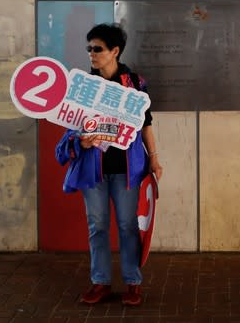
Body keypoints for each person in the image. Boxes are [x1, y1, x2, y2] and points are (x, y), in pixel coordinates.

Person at [54, 23, 163, 306]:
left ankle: (132, 282)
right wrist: (82, 142)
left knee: (128, 226)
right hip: (94, 170)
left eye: (98, 49)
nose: (92, 53)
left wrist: (154, 158)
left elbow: (146, 126)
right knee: (97, 226)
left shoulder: (135, 84)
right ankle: (100, 282)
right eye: (89, 48)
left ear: (114, 51)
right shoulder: (82, 88)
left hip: (128, 170)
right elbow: (71, 128)